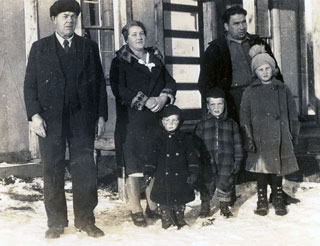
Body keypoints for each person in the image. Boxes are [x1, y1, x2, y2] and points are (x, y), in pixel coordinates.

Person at [24, 0, 107, 238]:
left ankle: (86, 220)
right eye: (64, 16)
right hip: (51, 121)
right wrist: (34, 115)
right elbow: (30, 85)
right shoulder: (39, 48)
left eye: (73, 16)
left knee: (85, 170)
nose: (69, 20)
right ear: (54, 20)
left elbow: (100, 83)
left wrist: (101, 115)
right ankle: (56, 223)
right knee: (52, 170)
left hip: (82, 119)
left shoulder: (88, 47)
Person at [113, 20, 176, 227]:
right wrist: (145, 100)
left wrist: (163, 99)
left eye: (141, 33)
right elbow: (119, 89)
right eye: (134, 34)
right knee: (134, 165)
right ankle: (135, 208)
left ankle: (152, 204)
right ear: (126, 38)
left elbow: (170, 82)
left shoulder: (155, 58)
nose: (139, 37)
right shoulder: (120, 61)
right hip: (132, 121)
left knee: (154, 161)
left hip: (155, 119)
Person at [240, 45, 300, 216]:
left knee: (277, 169)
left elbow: (292, 114)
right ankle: (262, 200)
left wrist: (293, 134)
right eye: (260, 70)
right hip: (259, 138)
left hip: (279, 136)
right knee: (261, 171)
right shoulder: (250, 92)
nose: (265, 72)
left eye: (267, 68)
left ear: (273, 70)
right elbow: (244, 117)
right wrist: (248, 138)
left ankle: (278, 198)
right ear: (255, 72)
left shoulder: (282, 88)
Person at [198, 5, 282, 122]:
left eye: (243, 22)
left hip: (260, 97)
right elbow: (205, 83)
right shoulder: (216, 49)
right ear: (226, 26)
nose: (242, 27)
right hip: (232, 101)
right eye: (236, 24)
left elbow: (275, 71)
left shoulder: (257, 42)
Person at [144, 105, 199, 229]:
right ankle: (167, 220)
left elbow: (192, 157)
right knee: (164, 200)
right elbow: (151, 158)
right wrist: (148, 172)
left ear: (180, 122)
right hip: (163, 177)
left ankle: (180, 219)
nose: (171, 123)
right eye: (167, 120)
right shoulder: (158, 139)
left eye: (174, 120)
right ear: (162, 122)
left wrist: (193, 172)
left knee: (180, 200)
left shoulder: (185, 139)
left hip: (181, 177)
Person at [194, 88, 243, 218]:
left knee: (225, 182)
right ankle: (205, 205)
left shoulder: (231, 124)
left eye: (220, 104)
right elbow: (196, 145)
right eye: (213, 104)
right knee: (206, 182)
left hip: (226, 160)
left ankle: (224, 206)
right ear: (207, 106)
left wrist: (238, 160)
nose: (216, 107)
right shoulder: (202, 124)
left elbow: (238, 144)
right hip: (207, 161)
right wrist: (197, 159)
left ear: (225, 104)